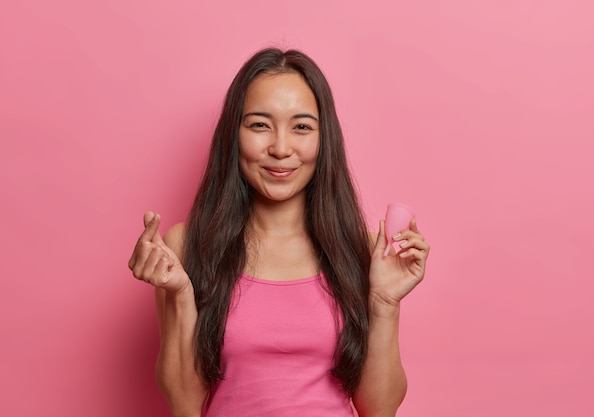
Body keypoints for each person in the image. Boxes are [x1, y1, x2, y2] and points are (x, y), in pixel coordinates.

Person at [128, 47, 430, 417]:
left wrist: (385, 305)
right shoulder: (185, 246)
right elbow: (184, 405)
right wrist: (179, 294)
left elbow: (379, 410)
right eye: (259, 125)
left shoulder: (364, 250)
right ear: (233, 135)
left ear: (324, 140)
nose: (281, 148)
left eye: (301, 127)